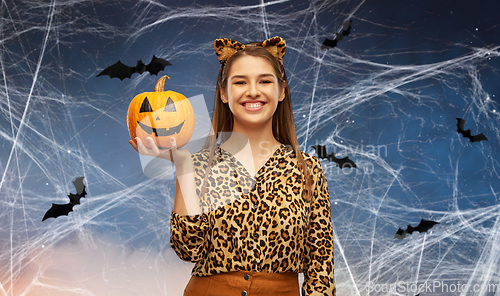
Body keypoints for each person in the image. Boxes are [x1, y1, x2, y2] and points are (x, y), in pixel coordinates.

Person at [129, 36, 335, 296]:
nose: (253, 91)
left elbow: (321, 268)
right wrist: (183, 166)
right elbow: (188, 249)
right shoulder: (199, 163)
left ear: (281, 91)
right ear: (224, 93)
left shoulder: (308, 169)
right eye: (240, 82)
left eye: (264, 81)